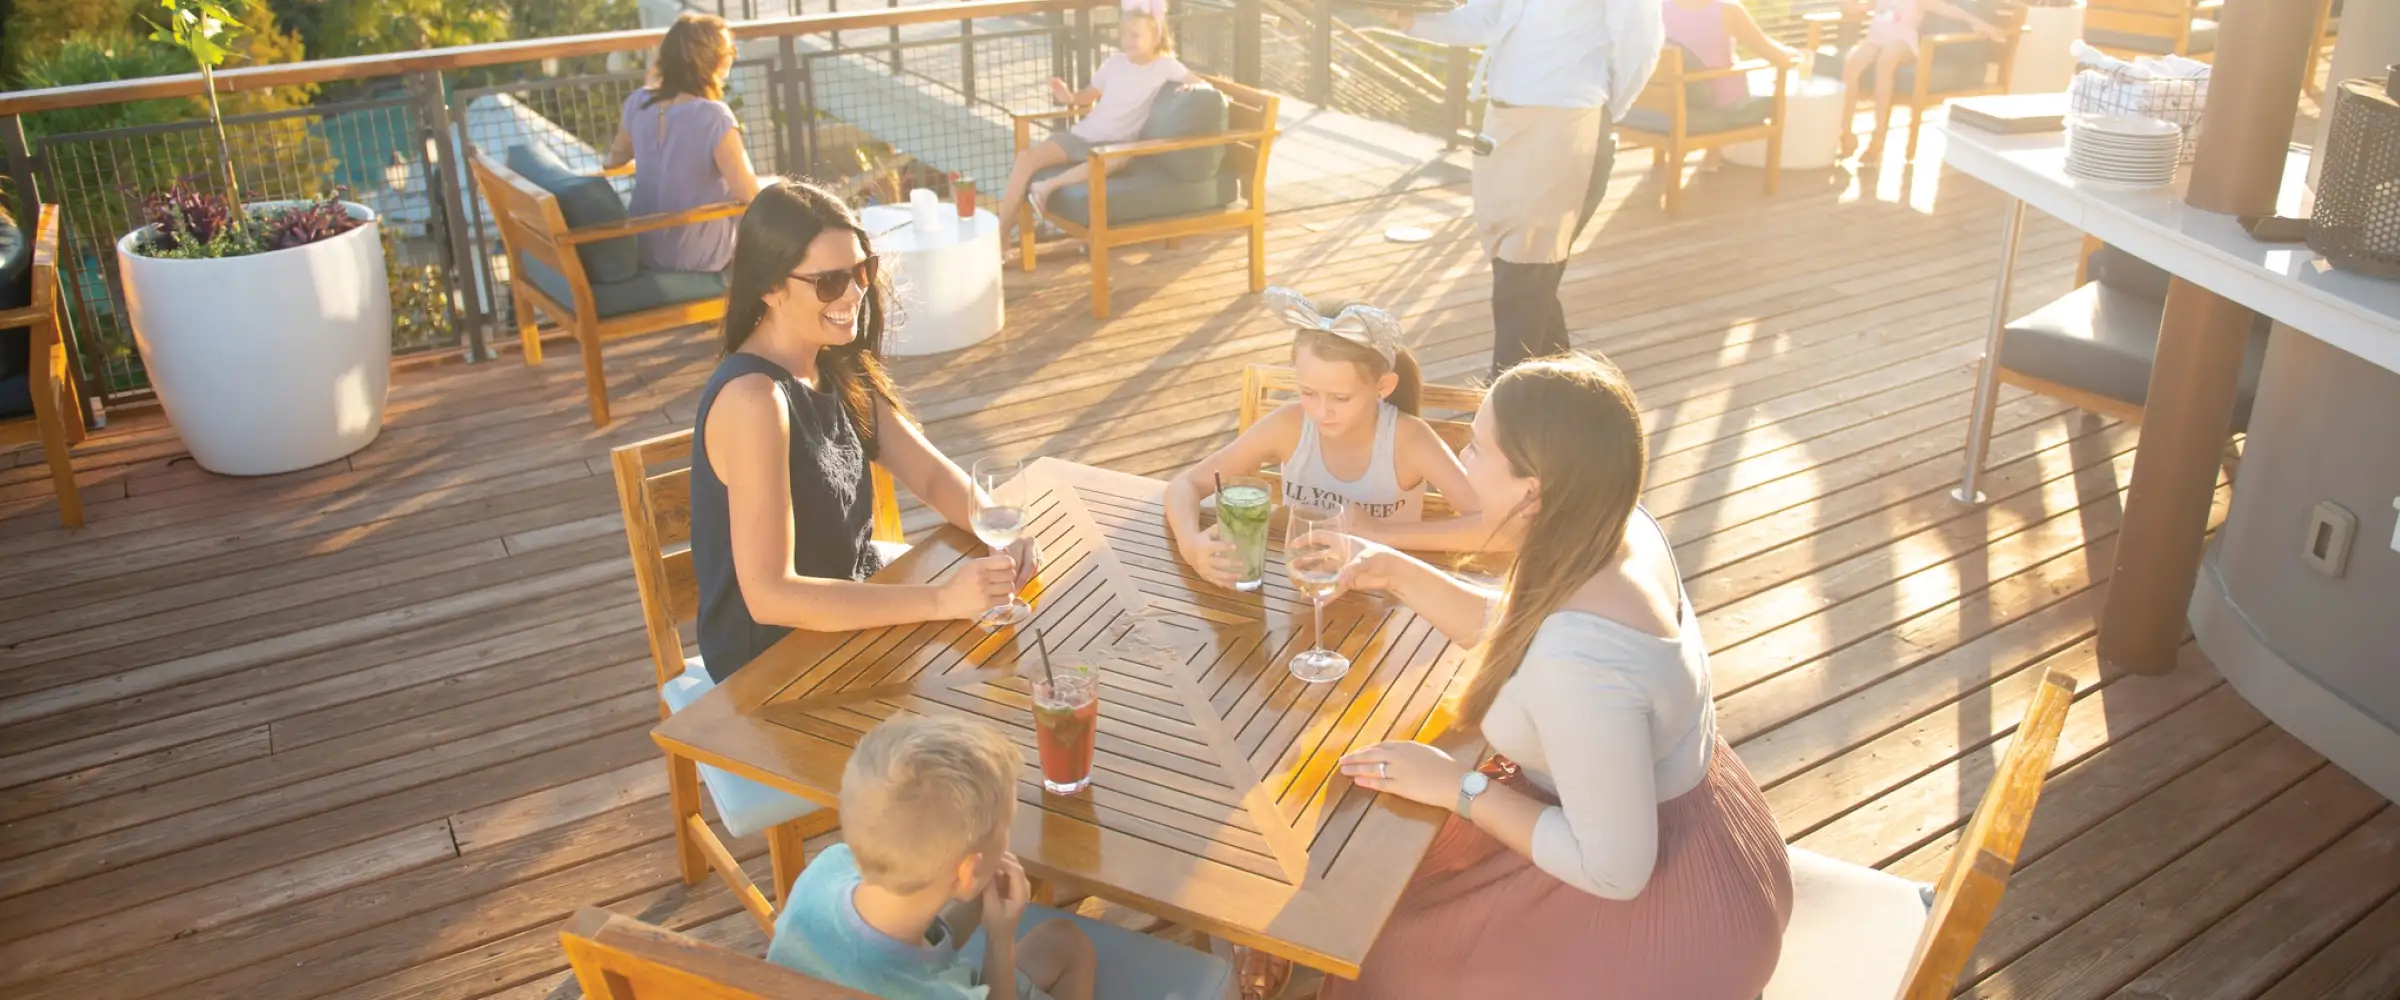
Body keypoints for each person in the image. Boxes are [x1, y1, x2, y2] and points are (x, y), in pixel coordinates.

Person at [1324, 352, 1793, 999]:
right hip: (1695, 823)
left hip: (1661, 916)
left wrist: (1456, 785)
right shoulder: (1617, 525)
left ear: (1532, 490)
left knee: (1384, 956)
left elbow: (1615, 871)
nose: (1461, 458)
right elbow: (1523, 629)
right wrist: (1396, 571)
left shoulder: (1578, 663)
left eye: (1477, 448)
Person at [688, 180, 1038, 683]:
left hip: (853, 616)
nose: (854, 293)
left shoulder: (833, 364)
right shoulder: (754, 401)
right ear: (770, 288)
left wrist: (1001, 531)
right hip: (775, 666)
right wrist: (942, 600)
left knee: (1007, 675)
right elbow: (770, 596)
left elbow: (930, 477)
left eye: (860, 271)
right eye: (830, 281)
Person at [1383, 0, 1663, 378]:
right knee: (1517, 261)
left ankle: (1506, 394)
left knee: (1526, 266)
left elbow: (1640, 43)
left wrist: (1600, 105)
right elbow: (1483, 19)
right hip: (1503, 121)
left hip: (1565, 121)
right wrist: (1409, 20)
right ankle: (1559, 385)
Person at [768, 713, 1098, 1000]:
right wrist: (1000, 943)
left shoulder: (827, 869)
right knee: (1070, 947)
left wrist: (976, 897)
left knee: (1062, 941)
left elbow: (915, 946)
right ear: (969, 870)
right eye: (1007, 825)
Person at [1165, 289, 1479, 588]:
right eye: (1308, 393)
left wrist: (1381, 533)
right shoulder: (1289, 426)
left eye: (1341, 398)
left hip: (1386, 596)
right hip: (1301, 586)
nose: (1321, 412)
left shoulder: (1409, 440)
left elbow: (1493, 527)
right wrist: (1191, 545)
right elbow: (1186, 484)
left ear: (1382, 386)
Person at [997, 0, 1199, 251]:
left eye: (1135, 35)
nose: (1127, 40)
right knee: (1026, 159)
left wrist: (1191, 86)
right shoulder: (1114, 63)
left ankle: (1047, 187)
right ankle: (1001, 236)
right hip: (1083, 136)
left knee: (1116, 158)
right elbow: (1087, 96)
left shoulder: (1165, 66)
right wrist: (1069, 98)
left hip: (1114, 146)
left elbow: (1202, 84)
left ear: (1156, 36)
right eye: (1124, 34)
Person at [604, 12, 763, 274]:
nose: (732, 57)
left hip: (644, 246)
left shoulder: (637, 103)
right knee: (780, 209)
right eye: (729, 52)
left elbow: (614, 160)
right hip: (695, 255)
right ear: (714, 61)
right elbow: (750, 196)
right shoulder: (713, 116)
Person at [1834, 0, 2007, 163]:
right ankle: (1846, 134)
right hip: (1875, 40)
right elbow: (1855, 9)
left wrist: (1981, 24)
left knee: (1886, 60)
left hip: (1902, 42)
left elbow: (1951, 11)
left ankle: (1878, 137)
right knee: (1852, 63)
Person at [1661, 0, 1802, 170]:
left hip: (1665, 104)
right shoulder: (1727, 9)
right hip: (1717, 106)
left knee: (1695, 81)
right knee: (1728, 87)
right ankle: (1714, 151)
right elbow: (1774, 54)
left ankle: (1705, 153)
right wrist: (1795, 55)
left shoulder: (1658, 6)